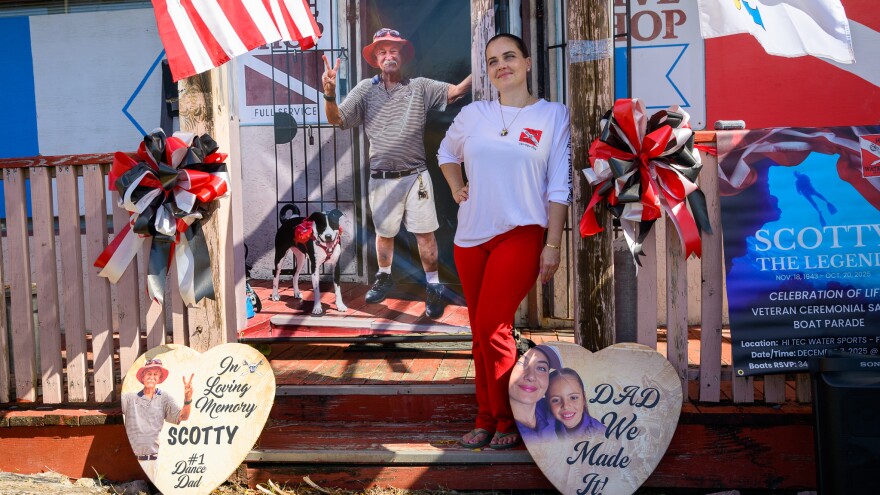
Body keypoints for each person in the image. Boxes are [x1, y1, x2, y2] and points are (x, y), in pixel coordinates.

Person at [437, 33, 571, 450]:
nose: (501, 66)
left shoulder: (553, 115)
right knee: (479, 332)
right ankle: (485, 417)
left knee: (495, 327)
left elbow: (558, 186)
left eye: (509, 57)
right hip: (470, 238)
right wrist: (457, 186)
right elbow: (445, 152)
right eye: (493, 61)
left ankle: (508, 421)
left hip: (522, 232)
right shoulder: (474, 114)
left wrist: (553, 245)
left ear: (528, 63)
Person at [321, 28, 472, 319]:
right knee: (384, 234)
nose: (388, 55)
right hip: (381, 179)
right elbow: (337, 119)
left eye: (394, 51)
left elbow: (455, 92)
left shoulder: (420, 86)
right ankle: (385, 276)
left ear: (401, 56)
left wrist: (484, 65)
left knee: (425, 236)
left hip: (415, 176)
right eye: (382, 51)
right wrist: (329, 95)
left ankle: (433, 287)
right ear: (375, 58)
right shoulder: (365, 89)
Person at [121, 359, 194, 464]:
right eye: (148, 373)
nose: (151, 377)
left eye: (155, 374)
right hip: (130, 460)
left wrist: (188, 398)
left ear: (159, 379)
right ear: (142, 377)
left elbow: (183, 416)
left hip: (152, 460)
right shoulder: (129, 398)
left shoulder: (164, 398)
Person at [507, 344, 564, 444]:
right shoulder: (506, 427)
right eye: (521, 364)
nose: (531, 376)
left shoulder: (553, 409)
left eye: (541, 368)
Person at [547, 368, 605, 439]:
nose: (566, 406)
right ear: (547, 403)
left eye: (573, 398)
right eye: (556, 400)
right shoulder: (547, 425)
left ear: (583, 399)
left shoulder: (602, 436)